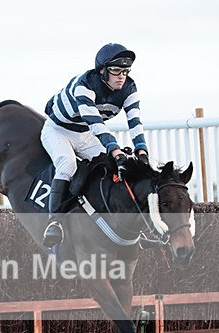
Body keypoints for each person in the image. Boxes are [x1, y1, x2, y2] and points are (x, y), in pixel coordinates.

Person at [41, 43, 150, 247]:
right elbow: (96, 124)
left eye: (125, 71)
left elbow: (135, 122)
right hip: (58, 131)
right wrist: (116, 151)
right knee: (67, 164)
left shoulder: (129, 88)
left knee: (111, 166)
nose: (121, 76)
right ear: (102, 71)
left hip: (84, 133)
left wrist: (142, 151)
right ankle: (54, 222)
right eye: (116, 70)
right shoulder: (85, 84)